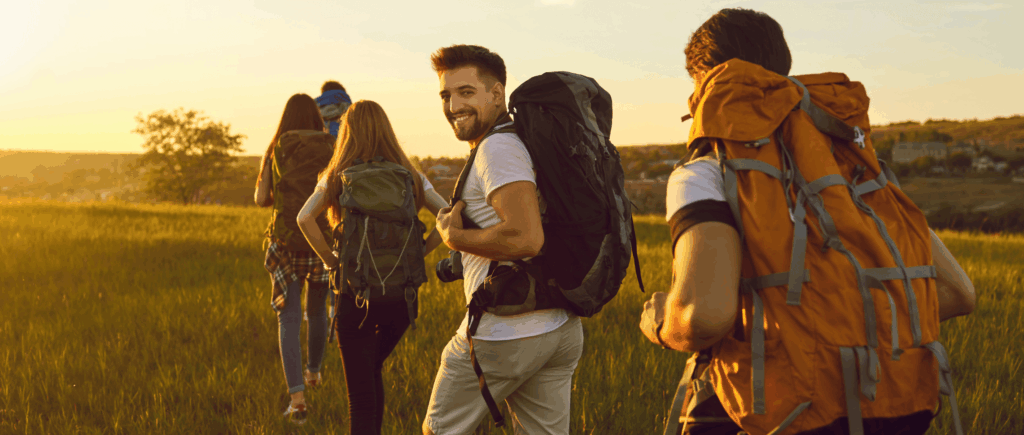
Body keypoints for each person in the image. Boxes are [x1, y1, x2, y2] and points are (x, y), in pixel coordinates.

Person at [638, 8, 977, 435]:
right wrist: (844, 331)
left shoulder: (705, 172)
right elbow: (957, 292)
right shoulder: (856, 170)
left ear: (708, 81)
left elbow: (703, 316)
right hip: (898, 407)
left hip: (784, 412)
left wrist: (661, 322)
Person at [422, 44, 584, 435]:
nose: (452, 105)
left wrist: (454, 237)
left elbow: (526, 237)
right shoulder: (520, 141)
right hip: (558, 326)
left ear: (496, 95)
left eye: (465, 92)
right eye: (446, 95)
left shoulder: (498, 148)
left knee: (439, 430)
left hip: (506, 331)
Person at [296, 99, 446, 435]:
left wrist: (331, 262)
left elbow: (304, 218)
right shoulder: (411, 175)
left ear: (347, 133)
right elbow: (449, 215)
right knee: (372, 371)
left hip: (355, 297)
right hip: (401, 298)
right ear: (387, 130)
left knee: (360, 397)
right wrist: (420, 252)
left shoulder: (337, 174)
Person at [254, 93, 337, 425]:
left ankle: (298, 400)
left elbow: (261, 199)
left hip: (286, 241)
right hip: (320, 241)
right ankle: (315, 373)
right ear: (317, 118)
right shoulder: (332, 146)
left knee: (287, 318)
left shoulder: (276, 147)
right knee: (316, 312)